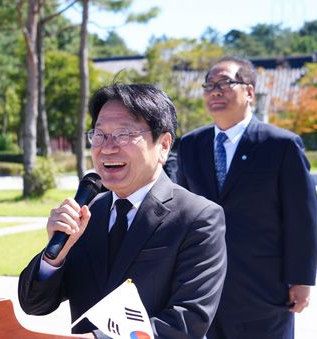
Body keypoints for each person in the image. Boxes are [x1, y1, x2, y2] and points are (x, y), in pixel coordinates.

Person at [18, 84, 227, 338]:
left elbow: (187, 320)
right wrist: (54, 257)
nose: (107, 148)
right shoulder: (87, 212)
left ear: (163, 145)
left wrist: (100, 337)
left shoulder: (198, 217)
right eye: (99, 135)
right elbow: (34, 304)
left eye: (124, 134)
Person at [176, 56, 317, 339]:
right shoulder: (191, 145)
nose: (215, 91)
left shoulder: (281, 145)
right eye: (209, 85)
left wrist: (301, 279)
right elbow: (184, 213)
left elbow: (301, 218)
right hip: (206, 286)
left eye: (225, 83)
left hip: (264, 287)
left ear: (250, 92)